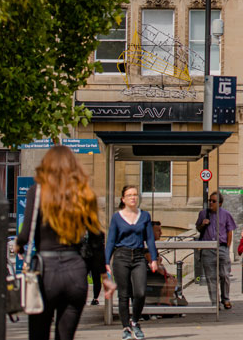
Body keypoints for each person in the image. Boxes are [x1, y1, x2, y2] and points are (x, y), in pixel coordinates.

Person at [16, 145, 114, 340]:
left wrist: (18, 245)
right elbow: (96, 240)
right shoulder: (84, 193)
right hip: (75, 273)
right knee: (66, 336)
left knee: (38, 334)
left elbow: (25, 234)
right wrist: (104, 276)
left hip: (45, 273)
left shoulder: (37, 191)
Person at [106, 184, 158, 340]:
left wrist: (153, 258)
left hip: (138, 257)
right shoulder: (117, 217)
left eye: (135, 195)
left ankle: (135, 321)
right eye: (129, 195)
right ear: (123, 199)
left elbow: (149, 238)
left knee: (140, 293)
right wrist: (106, 261)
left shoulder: (145, 216)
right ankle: (126, 328)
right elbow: (110, 241)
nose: (133, 197)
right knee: (123, 295)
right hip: (121, 256)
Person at [195, 191, 235, 309]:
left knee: (224, 274)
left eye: (213, 201)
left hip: (221, 247)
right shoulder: (203, 214)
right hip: (208, 248)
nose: (211, 203)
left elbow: (229, 231)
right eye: (210, 201)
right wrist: (203, 224)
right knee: (211, 277)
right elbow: (198, 228)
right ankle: (214, 302)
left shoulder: (226, 214)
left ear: (220, 203)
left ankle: (225, 298)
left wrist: (227, 248)